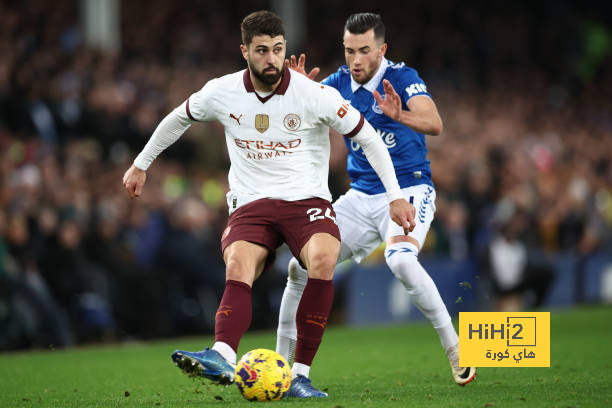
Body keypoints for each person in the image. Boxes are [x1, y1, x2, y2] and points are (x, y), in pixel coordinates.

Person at [122, 10, 416, 398]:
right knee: (238, 263)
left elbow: (368, 137)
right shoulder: (221, 91)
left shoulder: (311, 94)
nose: (272, 59)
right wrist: (141, 165)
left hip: (305, 200)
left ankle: (299, 375)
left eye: (278, 49)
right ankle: (222, 354)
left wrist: (395, 195)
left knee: (325, 258)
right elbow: (178, 118)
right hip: (252, 203)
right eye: (262, 51)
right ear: (245, 51)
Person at [275, 13, 476, 386]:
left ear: (381, 50)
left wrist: (401, 115)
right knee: (299, 268)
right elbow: (296, 114)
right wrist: (298, 93)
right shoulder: (337, 83)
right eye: (350, 50)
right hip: (361, 196)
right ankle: (279, 367)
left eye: (364, 50)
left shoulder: (402, 78)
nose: (355, 60)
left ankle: (456, 348)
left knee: (399, 261)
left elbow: (435, 123)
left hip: (410, 190)